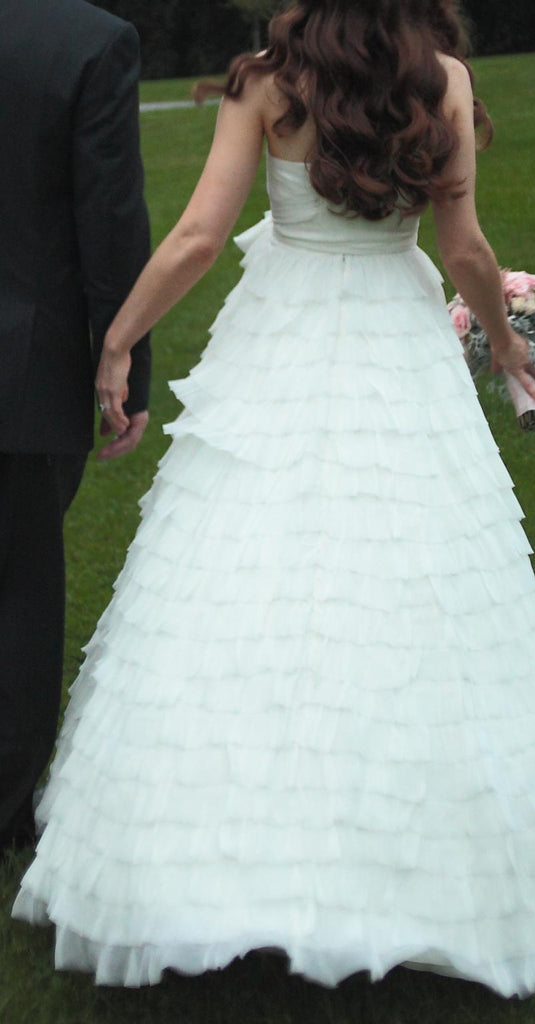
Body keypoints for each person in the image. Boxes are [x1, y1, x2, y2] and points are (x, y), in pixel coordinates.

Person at [13, 0, 535, 997]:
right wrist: (506, 342)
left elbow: (197, 237)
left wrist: (120, 337)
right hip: (396, 330)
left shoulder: (268, 79)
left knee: (239, 564)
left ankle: (215, 863)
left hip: (281, 327)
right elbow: (466, 250)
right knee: (408, 568)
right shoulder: (442, 79)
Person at [0, 0, 151, 852]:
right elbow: (111, 218)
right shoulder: (92, 41)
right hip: (23, 368)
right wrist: (128, 363)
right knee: (19, 591)